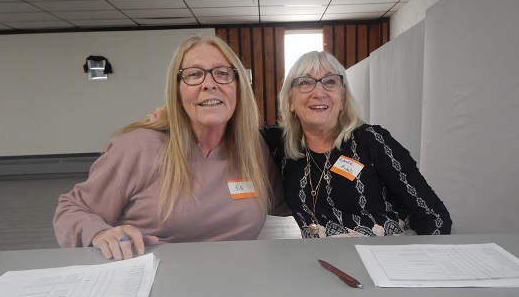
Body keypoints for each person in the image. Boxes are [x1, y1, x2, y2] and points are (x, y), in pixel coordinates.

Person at [54, 35, 287, 260]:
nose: (209, 84)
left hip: (238, 282)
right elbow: (70, 210)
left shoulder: (253, 147)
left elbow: (287, 201)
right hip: (157, 284)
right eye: (194, 75)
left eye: (222, 73)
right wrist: (100, 233)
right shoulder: (139, 147)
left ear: (238, 88)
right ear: (176, 91)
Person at [260, 50, 452, 238]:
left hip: (386, 259)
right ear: (290, 101)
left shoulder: (372, 140)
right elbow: (235, 131)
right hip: (323, 261)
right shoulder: (279, 145)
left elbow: (434, 217)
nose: (319, 92)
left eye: (330, 82)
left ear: (343, 99)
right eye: (305, 82)